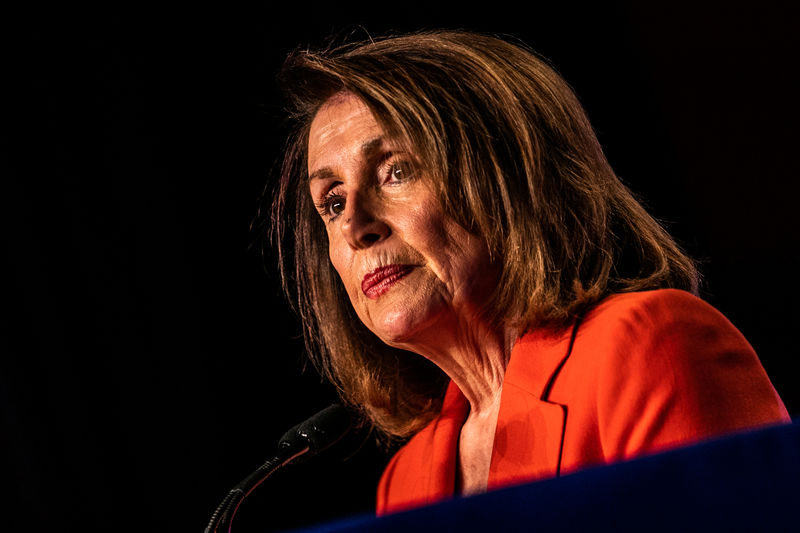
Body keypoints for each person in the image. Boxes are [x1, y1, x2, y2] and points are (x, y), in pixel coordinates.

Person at [266, 30, 790, 515]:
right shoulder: (405, 482)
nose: (356, 225)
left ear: (509, 176)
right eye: (331, 203)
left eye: (396, 170)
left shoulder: (651, 346)